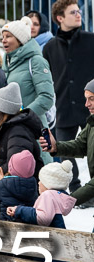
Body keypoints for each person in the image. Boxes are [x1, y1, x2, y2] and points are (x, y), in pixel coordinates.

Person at [43, 0, 94, 194]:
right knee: (63, 151)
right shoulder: (49, 47)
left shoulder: (91, 40)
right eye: (73, 12)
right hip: (63, 107)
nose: (78, 14)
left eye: (79, 11)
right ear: (60, 18)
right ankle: (75, 189)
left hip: (90, 107)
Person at [40, 79, 94, 207]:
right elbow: (80, 146)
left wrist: (70, 200)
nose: (86, 104)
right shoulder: (92, 123)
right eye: (86, 99)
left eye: (91, 99)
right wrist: (56, 147)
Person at [1, 16, 56, 131]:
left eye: (8, 36)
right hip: (13, 127)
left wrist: (23, 116)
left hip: (34, 128)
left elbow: (46, 97)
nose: (3, 40)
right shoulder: (8, 63)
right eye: (3, 37)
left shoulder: (36, 61)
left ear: (20, 40)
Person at [7, 160, 76, 228]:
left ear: (49, 184)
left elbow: (43, 219)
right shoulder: (56, 196)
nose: (38, 183)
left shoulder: (48, 195)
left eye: (41, 181)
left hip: (49, 237)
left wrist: (19, 210)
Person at [0, 149, 39, 221]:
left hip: (6, 224)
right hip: (28, 224)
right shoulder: (34, 184)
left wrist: (1, 183)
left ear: (11, 168)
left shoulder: (2, 184)